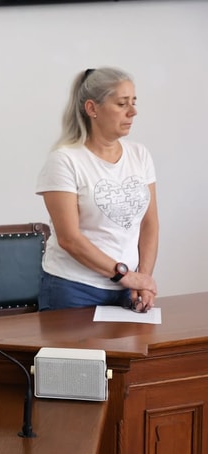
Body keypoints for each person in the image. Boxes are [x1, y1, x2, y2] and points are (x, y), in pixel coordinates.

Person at [35, 67, 159, 313]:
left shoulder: (139, 154)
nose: (133, 112)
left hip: (128, 289)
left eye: (133, 102)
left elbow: (150, 223)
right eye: (122, 104)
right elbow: (69, 239)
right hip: (74, 289)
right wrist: (125, 276)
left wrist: (143, 279)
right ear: (92, 108)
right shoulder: (64, 160)